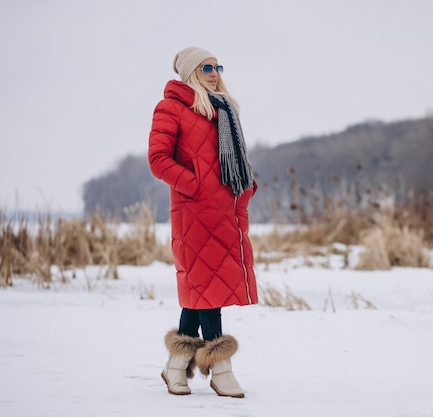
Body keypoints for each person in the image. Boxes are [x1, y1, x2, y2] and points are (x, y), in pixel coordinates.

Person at [148, 46, 258, 399]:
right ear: (191, 73)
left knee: (202, 289)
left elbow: (235, 162)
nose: (214, 72)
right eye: (206, 67)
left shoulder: (224, 109)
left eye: (217, 66)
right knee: (206, 289)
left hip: (226, 211)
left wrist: (244, 189)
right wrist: (196, 186)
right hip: (194, 213)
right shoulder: (171, 108)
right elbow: (158, 159)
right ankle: (221, 370)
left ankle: (176, 366)